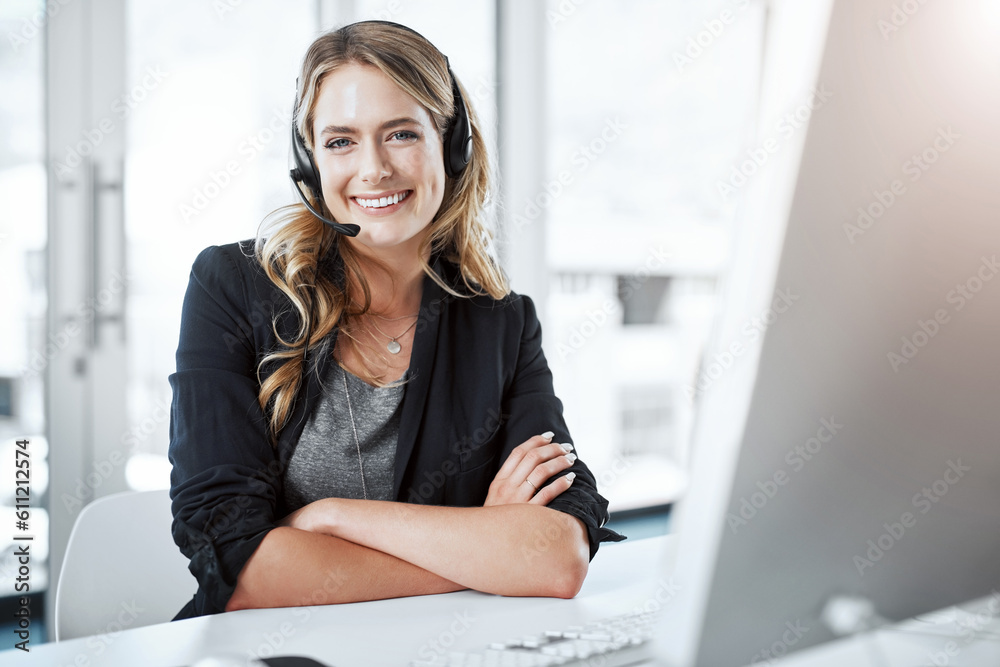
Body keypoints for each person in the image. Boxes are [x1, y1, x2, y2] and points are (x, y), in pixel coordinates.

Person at [168, 20, 625, 620]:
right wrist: (480, 547)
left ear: (452, 146)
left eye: (401, 134)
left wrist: (331, 518)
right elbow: (241, 566)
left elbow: (555, 557)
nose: (374, 168)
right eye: (340, 141)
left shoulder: (502, 325)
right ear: (309, 165)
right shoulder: (233, 288)